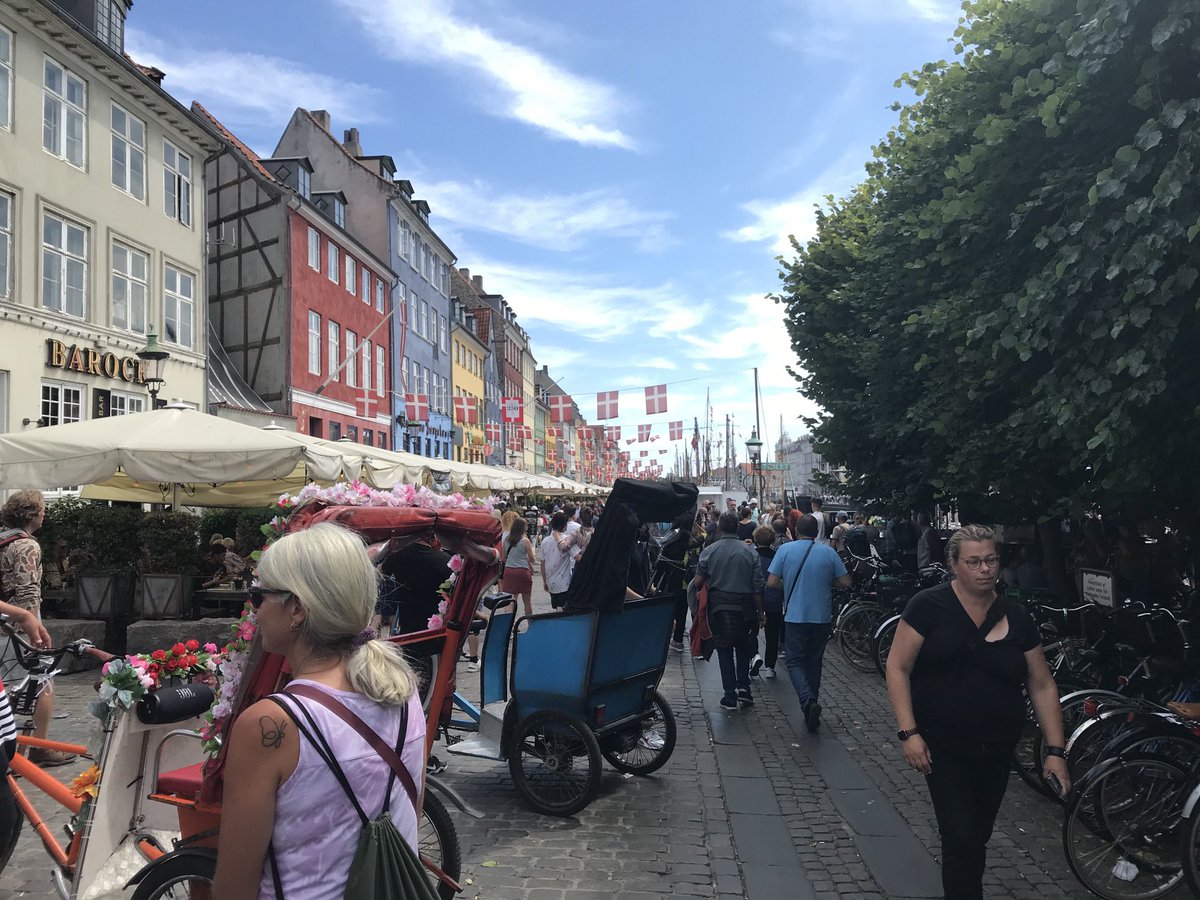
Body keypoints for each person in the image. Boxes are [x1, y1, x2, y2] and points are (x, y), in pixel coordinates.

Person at [212, 523, 425, 900]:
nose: (254, 610)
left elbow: (234, 887)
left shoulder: (272, 724)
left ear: (296, 608)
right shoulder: (401, 688)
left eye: (258, 596)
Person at [885, 524, 1070, 900]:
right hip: (943, 745)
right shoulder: (928, 606)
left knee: (977, 834)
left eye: (991, 560)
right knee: (961, 835)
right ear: (954, 565)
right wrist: (909, 733)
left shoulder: (1016, 616)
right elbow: (898, 667)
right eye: (974, 562)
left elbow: (1041, 683)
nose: (985, 569)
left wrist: (1055, 751)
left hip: (997, 748)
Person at [0, 491, 73, 766]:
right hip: (17, 628)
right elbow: (29, 590)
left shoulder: (2, 539)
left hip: (1, 620)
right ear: (31, 513)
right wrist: (34, 628)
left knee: (5, 685)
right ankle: (37, 748)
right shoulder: (27, 546)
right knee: (42, 681)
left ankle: (9, 750)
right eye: (42, 509)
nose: (45, 513)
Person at [767, 514, 851, 733]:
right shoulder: (828, 552)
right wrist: (827, 582)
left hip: (795, 615)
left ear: (796, 531)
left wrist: (787, 586)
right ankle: (810, 703)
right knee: (814, 662)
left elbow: (772, 582)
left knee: (794, 661)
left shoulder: (785, 550)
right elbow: (846, 582)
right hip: (821, 617)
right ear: (817, 532)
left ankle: (807, 700)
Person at [691, 511, 764, 710]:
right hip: (745, 607)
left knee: (724, 649)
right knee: (743, 647)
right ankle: (744, 690)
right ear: (738, 528)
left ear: (720, 528)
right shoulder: (750, 551)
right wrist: (760, 612)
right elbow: (758, 587)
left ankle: (729, 695)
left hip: (719, 607)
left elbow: (698, 580)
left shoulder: (710, 550)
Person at [659, 512, 699, 652]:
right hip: (690, 580)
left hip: (672, 580)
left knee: (669, 610)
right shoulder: (696, 538)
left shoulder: (673, 538)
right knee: (683, 611)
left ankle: (668, 638)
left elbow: (663, 560)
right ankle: (679, 639)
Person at [752, 526, 784, 678]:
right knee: (772, 635)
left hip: (753, 599)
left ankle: (754, 656)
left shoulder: (751, 555)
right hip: (773, 598)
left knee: (751, 631)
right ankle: (770, 667)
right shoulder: (777, 556)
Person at [500, 517, 536, 618]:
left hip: (509, 572)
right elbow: (532, 559)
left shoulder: (506, 540)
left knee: (511, 600)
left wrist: (512, 562)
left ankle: (508, 626)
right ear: (523, 529)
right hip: (523, 572)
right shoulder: (525, 541)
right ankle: (530, 624)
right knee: (527, 601)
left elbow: (503, 558)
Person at [540, 512, 574, 609]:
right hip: (564, 583)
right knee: (562, 610)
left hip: (551, 582)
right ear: (563, 525)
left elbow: (542, 564)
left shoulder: (545, 541)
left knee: (556, 610)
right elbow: (576, 556)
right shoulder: (566, 541)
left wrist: (544, 581)